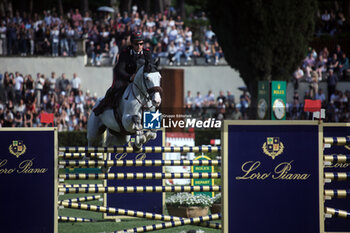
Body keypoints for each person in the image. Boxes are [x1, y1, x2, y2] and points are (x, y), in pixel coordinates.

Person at [93, 31, 152, 116]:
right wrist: (130, 77)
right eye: (136, 44)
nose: (139, 46)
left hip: (142, 81)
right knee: (114, 89)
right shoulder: (125, 53)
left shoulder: (147, 53)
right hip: (126, 79)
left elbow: (151, 68)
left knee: (154, 92)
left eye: (141, 44)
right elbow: (119, 70)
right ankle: (102, 107)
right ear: (132, 43)